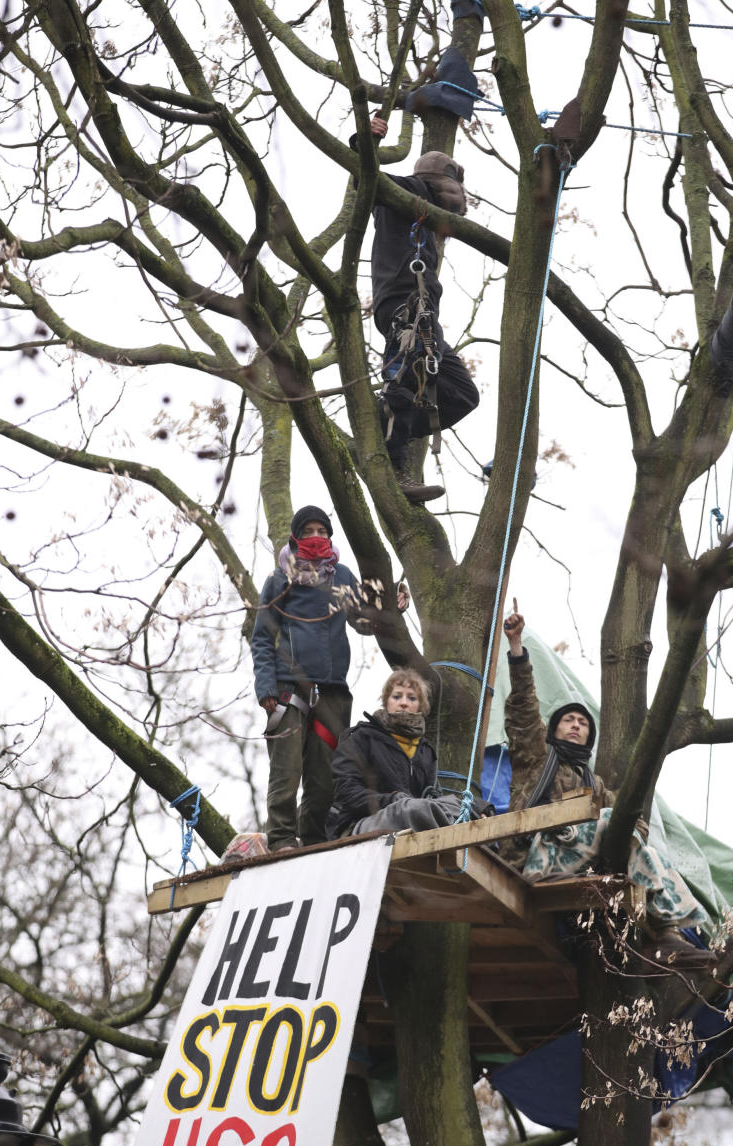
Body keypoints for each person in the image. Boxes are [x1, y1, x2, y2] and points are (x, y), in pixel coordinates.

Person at [502, 608, 712, 965]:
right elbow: (523, 708)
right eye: (567, 719)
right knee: (613, 818)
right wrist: (517, 645)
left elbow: (635, 824)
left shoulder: (594, 785)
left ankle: (670, 933)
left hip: (579, 868)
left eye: (582, 722)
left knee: (647, 850)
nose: (575, 725)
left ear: (588, 735)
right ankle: (667, 930)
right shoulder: (536, 761)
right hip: (536, 859)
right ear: (553, 730)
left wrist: (628, 837)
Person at [251, 505, 407, 852]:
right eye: (310, 531)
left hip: (332, 691)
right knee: (287, 771)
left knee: (325, 778)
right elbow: (261, 638)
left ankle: (315, 839)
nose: (317, 537)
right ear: (296, 536)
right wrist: (266, 688)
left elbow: (361, 623)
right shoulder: (279, 581)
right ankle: (281, 840)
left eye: (323, 532)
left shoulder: (342, 577)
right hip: (288, 689)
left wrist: (390, 608)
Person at [366, 112, 480, 505]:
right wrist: (369, 143)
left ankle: (383, 420)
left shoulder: (429, 222)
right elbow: (368, 179)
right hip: (402, 302)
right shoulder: (407, 192)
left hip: (424, 310)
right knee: (404, 376)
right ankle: (395, 468)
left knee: (462, 393)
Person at [326, 667, 461, 838]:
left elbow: (432, 796)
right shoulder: (361, 738)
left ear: (421, 706)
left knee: (460, 805)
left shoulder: (425, 751)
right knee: (411, 809)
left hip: (415, 819)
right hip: (362, 823)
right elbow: (346, 792)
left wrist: (475, 808)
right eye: (397, 696)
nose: (403, 702)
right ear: (386, 702)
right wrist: (391, 799)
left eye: (411, 698)